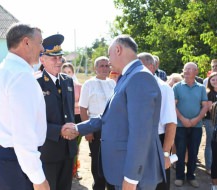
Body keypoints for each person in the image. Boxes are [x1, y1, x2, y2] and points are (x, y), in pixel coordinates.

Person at [72, 34, 165, 189]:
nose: (108, 61)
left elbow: (141, 133)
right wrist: (77, 128)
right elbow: (109, 117)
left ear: (118, 49)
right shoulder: (128, 76)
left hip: (134, 177)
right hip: (123, 168)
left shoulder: (139, 77)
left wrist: (131, 177)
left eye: (109, 55)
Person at [0, 23, 49, 190]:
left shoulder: (2, 70)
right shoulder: (21, 76)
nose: (42, 47)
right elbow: (24, 133)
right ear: (26, 42)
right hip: (15, 160)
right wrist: (38, 178)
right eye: (40, 42)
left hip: (0, 155)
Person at [37, 34, 77, 190]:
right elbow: (35, 121)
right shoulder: (36, 84)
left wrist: (72, 131)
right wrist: (59, 130)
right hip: (48, 149)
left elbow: (70, 112)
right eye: (53, 58)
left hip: (68, 149)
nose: (59, 61)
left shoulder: (68, 81)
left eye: (60, 57)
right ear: (42, 59)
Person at [138, 52, 177, 190]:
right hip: (138, 141)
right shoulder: (134, 85)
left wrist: (165, 153)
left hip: (157, 141)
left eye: (139, 65)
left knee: (159, 183)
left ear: (151, 67)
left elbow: (171, 123)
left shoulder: (163, 88)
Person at [79, 56, 115, 190]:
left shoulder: (113, 83)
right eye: (102, 66)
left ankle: (111, 184)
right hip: (95, 127)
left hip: (111, 127)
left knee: (111, 157)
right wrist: (87, 130)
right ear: (95, 68)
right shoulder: (89, 84)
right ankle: (98, 186)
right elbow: (83, 108)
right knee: (97, 158)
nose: (105, 68)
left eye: (107, 65)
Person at [173, 62, 208, 188]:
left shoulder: (201, 88)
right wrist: (183, 119)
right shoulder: (177, 87)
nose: (186, 71)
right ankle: (179, 176)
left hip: (197, 126)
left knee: (193, 152)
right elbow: (173, 105)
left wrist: (195, 120)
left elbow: (205, 106)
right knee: (180, 152)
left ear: (196, 72)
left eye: (190, 69)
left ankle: (191, 176)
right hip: (180, 126)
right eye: (185, 69)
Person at [61, 62, 82, 180]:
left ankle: (75, 169)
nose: (67, 74)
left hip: (77, 117)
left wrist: (70, 104)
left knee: (75, 145)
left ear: (73, 73)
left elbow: (83, 103)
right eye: (64, 72)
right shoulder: (59, 87)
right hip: (66, 118)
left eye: (69, 72)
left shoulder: (79, 86)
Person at [206, 72, 217, 190]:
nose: (215, 81)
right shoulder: (210, 93)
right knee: (210, 144)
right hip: (212, 123)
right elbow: (210, 109)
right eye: (213, 80)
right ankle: (208, 167)